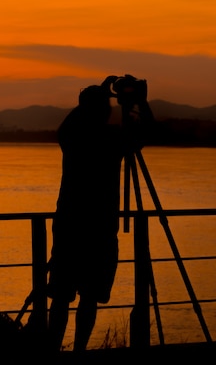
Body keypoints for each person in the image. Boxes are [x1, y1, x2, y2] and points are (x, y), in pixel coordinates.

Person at [46, 75, 154, 352]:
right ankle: (79, 349)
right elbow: (146, 133)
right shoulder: (111, 139)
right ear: (104, 110)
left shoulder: (73, 137)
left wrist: (97, 96)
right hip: (101, 229)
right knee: (89, 296)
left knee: (60, 296)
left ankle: (52, 349)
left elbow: (66, 126)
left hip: (70, 225)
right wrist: (139, 102)